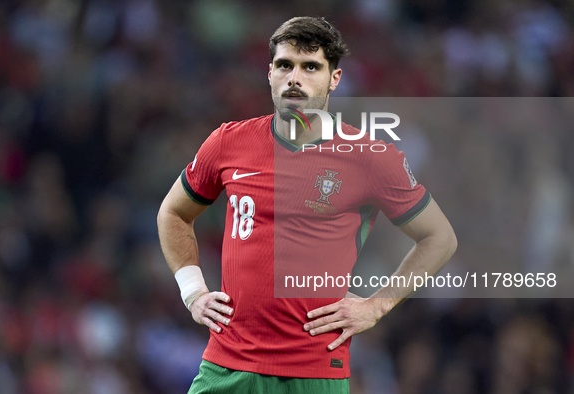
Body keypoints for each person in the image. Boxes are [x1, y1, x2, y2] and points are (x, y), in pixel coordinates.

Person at [157, 16, 457, 393]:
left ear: (334, 78)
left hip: (314, 373)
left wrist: (377, 306)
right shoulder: (228, 141)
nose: (294, 78)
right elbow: (174, 212)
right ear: (269, 73)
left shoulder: (370, 158)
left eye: (310, 67)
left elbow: (439, 237)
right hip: (226, 367)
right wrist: (193, 291)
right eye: (285, 65)